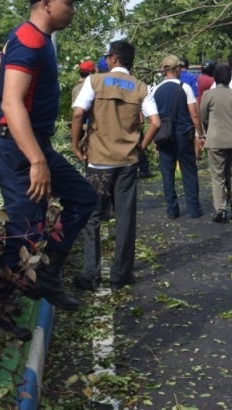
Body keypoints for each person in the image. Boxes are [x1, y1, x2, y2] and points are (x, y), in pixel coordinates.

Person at [0, 0, 98, 311]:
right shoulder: (30, 40)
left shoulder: (26, 37)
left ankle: (46, 276)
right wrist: (35, 159)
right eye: (68, 2)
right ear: (47, 3)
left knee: (83, 198)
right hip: (19, 151)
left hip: (24, 143)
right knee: (24, 234)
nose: (73, 9)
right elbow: (10, 101)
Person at [70, 40, 154, 290]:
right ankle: (121, 275)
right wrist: (141, 146)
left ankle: (90, 274)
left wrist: (75, 146)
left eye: (108, 56)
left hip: (98, 162)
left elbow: (78, 113)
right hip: (127, 161)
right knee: (125, 217)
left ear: (114, 58)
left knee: (92, 216)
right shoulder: (140, 87)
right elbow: (156, 122)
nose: (106, 60)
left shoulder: (94, 81)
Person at [149, 54, 205, 219]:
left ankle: (172, 210)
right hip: (183, 134)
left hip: (164, 136)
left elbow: (152, 117)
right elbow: (194, 115)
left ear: (164, 70)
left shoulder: (155, 89)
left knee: (167, 173)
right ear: (178, 69)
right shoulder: (184, 87)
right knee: (189, 171)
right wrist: (200, 134)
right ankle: (194, 209)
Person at [199, 63, 232, 223]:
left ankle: (221, 210)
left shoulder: (208, 95)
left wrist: (209, 130)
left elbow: (203, 116)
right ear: (229, 78)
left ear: (215, 77)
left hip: (216, 139)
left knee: (218, 176)